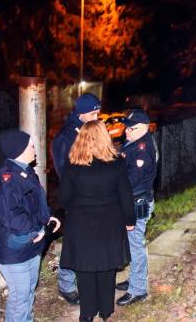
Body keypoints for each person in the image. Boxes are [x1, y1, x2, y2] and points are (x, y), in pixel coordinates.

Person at [59, 120, 135, 322]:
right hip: (109, 223)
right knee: (107, 267)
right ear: (104, 137)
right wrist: (130, 219)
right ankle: (106, 310)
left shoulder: (72, 165)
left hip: (80, 224)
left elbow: (64, 197)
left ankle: (87, 313)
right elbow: (125, 195)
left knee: (84, 269)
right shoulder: (117, 163)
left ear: (81, 139)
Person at [0, 130, 61, 322]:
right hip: (13, 246)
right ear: (19, 149)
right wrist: (36, 229)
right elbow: (12, 216)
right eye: (31, 146)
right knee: (20, 296)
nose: (35, 149)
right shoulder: (8, 179)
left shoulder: (25, 171)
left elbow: (35, 203)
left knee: (29, 288)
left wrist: (48, 219)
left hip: (29, 243)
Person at [51, 93, 101, 305]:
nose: (97, 116)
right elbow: (66, 172)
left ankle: (88, 277)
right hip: (77, 199)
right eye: (93, 113)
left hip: (93, 196)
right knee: (75, 242)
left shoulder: (89, 129)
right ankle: (66, 284)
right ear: (81, 114)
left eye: (98, 112)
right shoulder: (66, 138)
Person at [115, 109, 157, 306]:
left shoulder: (142, 149)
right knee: (132, 245)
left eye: (131, 128)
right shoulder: (134, 143)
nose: (126, 131)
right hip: (132, 202)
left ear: (144, 128)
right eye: (126, 127)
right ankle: (134, 279)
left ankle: (138, 289)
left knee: (136, 245)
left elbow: (131, 180)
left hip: (137, 203)